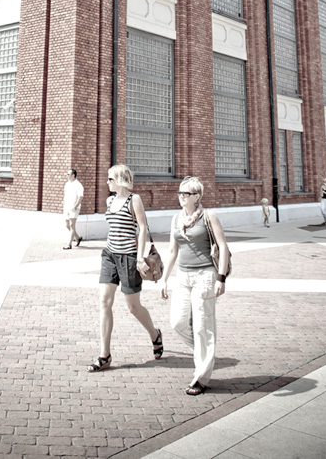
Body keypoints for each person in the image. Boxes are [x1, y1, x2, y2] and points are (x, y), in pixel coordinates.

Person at [87, 164, 163, 372]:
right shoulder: (109, 200)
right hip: (109, 255)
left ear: (120, 180)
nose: (107, 182)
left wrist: (139, 258)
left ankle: (155, 334)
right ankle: (105, 355)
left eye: (110, 179)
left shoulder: (134, 199)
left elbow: (142, 228)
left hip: (129, 257)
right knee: (104, 301)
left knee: (133, 306)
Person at [160, 176, 230, 396]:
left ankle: (201, 377)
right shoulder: (176, 218)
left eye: (186, 193)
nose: (181, 196)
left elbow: (223, 247)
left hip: (205, 276)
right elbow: (173, 251)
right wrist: (164, 279)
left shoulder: (209, 217)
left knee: (202, 327)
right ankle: (205, 354)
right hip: (183, 276)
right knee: (178, 323)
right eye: (180, 193)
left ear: (196, 196)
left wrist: (221, 278)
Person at [63, 168, 84, 249]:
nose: (67, 176)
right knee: (67, 225)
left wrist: (75, 206)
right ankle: (78, 238)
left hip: (74, 208)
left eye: (68, 174)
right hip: (67, 207)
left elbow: (80, 196)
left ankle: (69, 244)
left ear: (73, 175)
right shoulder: (67, 184)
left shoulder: (78, 185)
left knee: (72, 225)